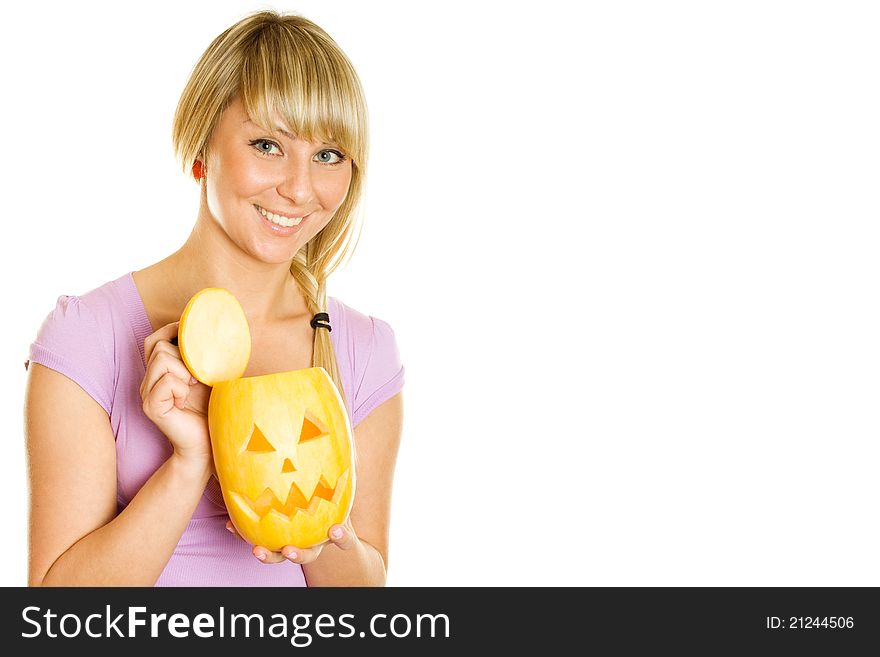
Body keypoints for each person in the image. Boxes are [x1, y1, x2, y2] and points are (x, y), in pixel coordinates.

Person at [23, 10, 404, 587]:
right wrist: (190, 463)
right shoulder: (87, 337)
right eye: (267, 144)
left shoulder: (364, 350)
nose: (300, 189)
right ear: (201, 147)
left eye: (329, 155)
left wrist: (318, 539)